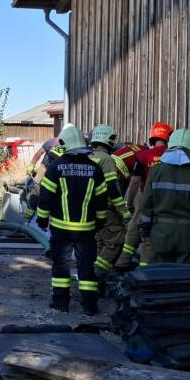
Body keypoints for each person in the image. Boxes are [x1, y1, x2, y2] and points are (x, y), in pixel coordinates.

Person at [35, 125, 108, 313]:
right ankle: (90, 306)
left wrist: (42, 220)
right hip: (87, 230)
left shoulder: (55, 167)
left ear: (64, 144)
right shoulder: (95, 169)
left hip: (61, 230)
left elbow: (45, 197)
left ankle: (61, 303)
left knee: (61, 266)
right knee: (86, 267)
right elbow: (102, 200)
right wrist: (100, 222)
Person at [136, 128, 190, 265]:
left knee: (160, 273)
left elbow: (146, 205)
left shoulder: (156, 171)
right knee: (184, 274)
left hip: (160, 234)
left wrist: (144, 231)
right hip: (188, 237)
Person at [123, 122, 173, 265]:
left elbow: (134, 182)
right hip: (168, 203)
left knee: (141, 233)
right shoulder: (174, 157)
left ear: (152, 137)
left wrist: (129, 203)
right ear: (169, 137)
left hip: (147, 201)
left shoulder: (143, 156)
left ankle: (126, 264)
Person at [88, 124, 134, 282]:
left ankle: (94, 280)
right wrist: (123, 211)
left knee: (100, 242)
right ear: (108, 140)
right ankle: (97, 274)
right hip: (106, 209)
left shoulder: (87, 157)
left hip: (89, 209)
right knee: (115, 240)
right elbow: (112, 188)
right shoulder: (106, 159)